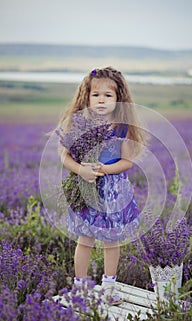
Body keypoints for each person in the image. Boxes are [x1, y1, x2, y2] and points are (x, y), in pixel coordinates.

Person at [58, 67, 145, 305]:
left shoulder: (121, 128)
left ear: (119, 99)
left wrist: (102, 170)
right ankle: (80, 287)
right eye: (96, 95)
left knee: (111, 240)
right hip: (86, 188)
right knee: (84, 239)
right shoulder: (79, 125)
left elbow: (126, 161)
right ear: (87, 97)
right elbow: (65, 157)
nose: (101, 100)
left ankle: (109, 287)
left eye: (108, 95)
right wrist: (82, 170)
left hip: (114, 192)